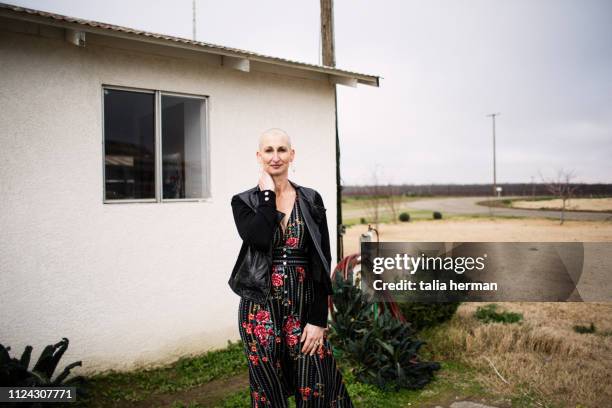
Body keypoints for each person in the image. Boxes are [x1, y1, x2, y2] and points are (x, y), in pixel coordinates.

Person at [230, 128, 353, 407]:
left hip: (303, 303)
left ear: (292, 154)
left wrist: (319, 317)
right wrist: (267, 197)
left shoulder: (311, 199)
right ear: (259, 156)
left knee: (316, 380)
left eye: (282, 150)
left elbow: (323, 258)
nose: (276, 157)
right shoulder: (244, 202)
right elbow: (259, 239)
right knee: (268, 388)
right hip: (259, 307)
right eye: (269, 150)